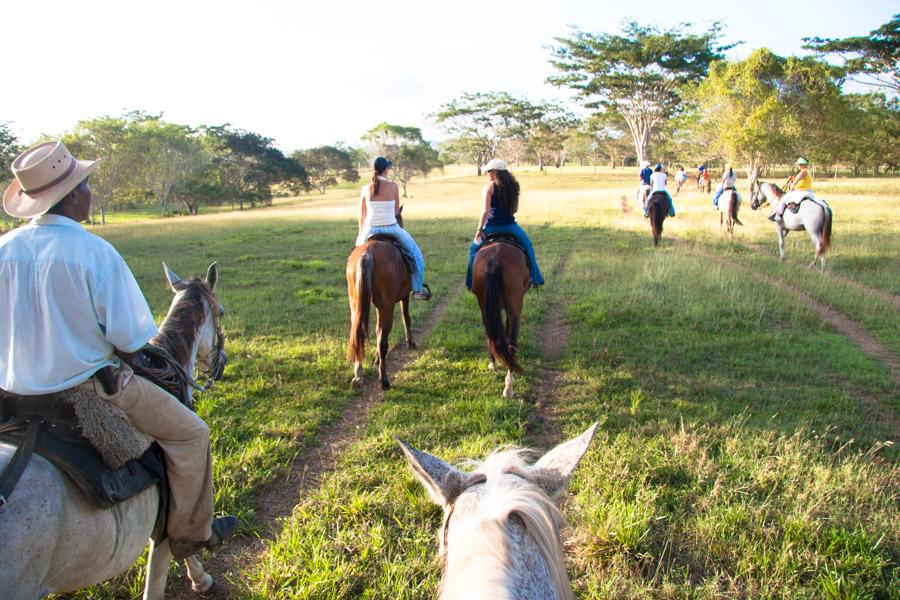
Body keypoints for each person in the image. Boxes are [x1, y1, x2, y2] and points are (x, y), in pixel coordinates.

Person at [0, 141, 236, 559]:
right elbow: (130, 342)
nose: (89, 191)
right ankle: (190, 534)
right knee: (193, 434)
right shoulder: (94, 253)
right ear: (72, 195)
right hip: (88, 393)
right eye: (85, 184)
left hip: (13, 395)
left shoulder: (4, 250)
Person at [356, 156, 431, 300]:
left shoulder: (365, 189)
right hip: (391, 228)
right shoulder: (393, 186)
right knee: (417, 255)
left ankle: (354, 287)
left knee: (355, 258)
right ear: (385, 169)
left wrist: (360, 236)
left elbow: (361, 216)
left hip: (369, 229)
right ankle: (417, 289)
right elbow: (396, 212)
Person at [466, 159, 544, 290]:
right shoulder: (514, 185)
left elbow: (485, 210)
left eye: (488, 171)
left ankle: (470, 282)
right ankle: (536, 278)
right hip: (510, 226)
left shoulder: (489, 187)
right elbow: (515, 210)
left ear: (495, 172)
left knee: (473, 250)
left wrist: (479, 229)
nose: (487, 174)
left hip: (491, 227)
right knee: (528, 246)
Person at [770, 157, 814, 223]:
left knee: (783, 199)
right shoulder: (808, 171)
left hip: (800, 191)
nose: (798, 166)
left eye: (799, 164)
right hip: (808, 191)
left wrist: (792, 188)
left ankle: (778, 216)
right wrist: (793, 178)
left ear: (802, 165)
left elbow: (796, 181)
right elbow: (800, 180)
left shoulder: (803, 172)